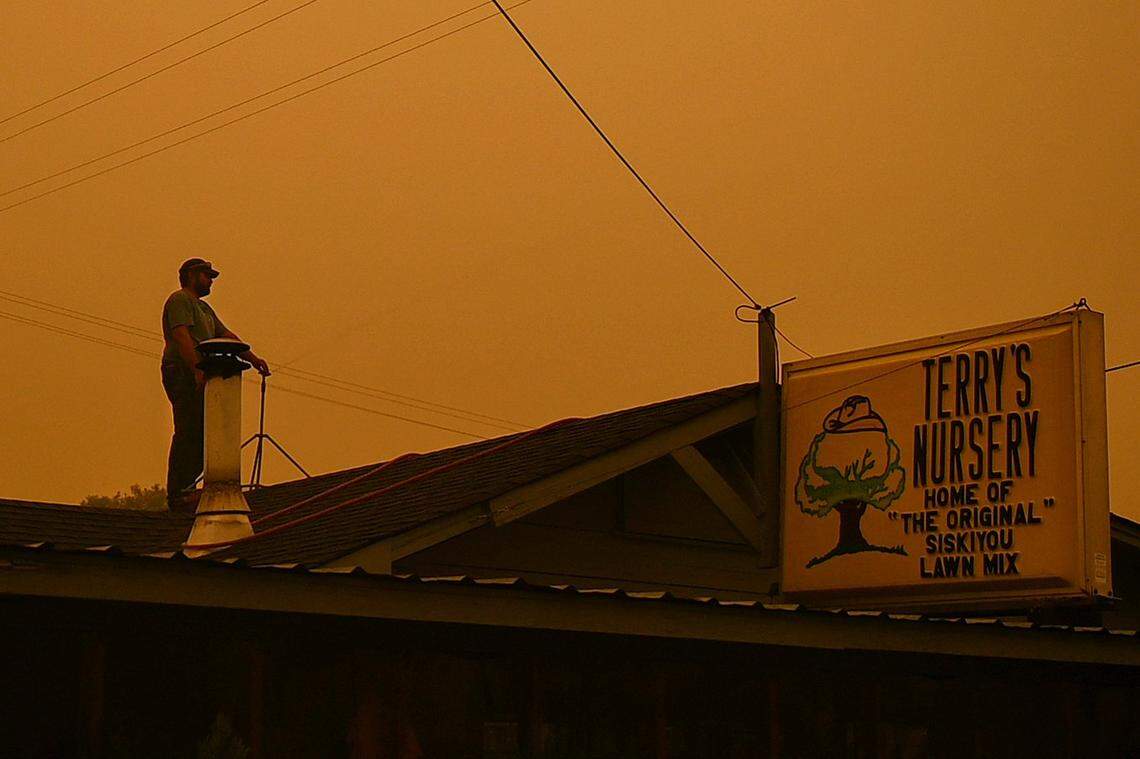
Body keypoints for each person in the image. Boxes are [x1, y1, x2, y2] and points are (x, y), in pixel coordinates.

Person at [161, 258, 270, 512]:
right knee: (188, 429)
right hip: (181, 372)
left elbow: (227, 336)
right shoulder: (180, 300)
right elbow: (182, 337)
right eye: (206, 276)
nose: (211, 281)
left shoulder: (205, 310)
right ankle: (178, 492)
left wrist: (253, 359)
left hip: (200, 374)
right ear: (191, 275)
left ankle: (190, 488)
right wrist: (196, 369)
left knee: (204, 432)